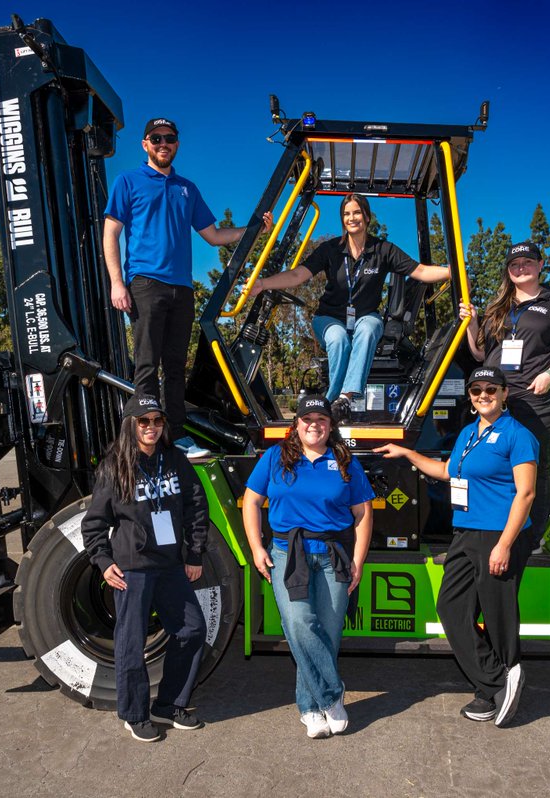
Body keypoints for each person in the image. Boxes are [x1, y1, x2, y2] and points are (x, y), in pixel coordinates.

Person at [375, 366, 537, 727]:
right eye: (476, 389)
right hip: (465, 533)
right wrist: (407, 455)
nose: (483, 395)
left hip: (499, 534)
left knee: (497, 613)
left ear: (505, 393)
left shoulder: (517, 435)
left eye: (491, 389)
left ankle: (497, 682)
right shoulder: (468, 432)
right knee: (451, 607)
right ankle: (497, 678)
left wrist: (505, 544)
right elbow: (448, 471)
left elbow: (526, 493)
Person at [103, 117, 273, 459]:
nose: (163, 143)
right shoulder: (128, 181)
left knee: (176, 366)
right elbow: (111, 233)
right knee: (147, 365)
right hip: (145, 283)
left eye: (170, 138)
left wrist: (253, 229)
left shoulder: (187, 188)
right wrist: (117, 283)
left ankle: (177, 437)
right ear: (145, 144)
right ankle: (142, 441)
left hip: (182, 288)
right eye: (156, 138)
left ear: (176, 144)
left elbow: (213, 236)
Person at [241, 395, 374, 738]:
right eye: (307, 419)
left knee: (327, 634)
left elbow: (363, 514)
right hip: (288, 553)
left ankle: (310, 707)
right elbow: (252, 502)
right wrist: (257, 547)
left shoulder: (344, 460)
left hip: (333, 555)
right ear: (296, 424)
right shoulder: (275, 458)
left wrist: (358, 561)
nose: (314, 425)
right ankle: (331, 696)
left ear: (330, 426)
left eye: (321, 419)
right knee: (300, 624)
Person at [249, 193, 449, 419]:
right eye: (346, 213)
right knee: (337, 338)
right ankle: (332, 400)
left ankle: (344, 399)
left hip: (365, 317)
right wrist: (263, 283)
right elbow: (297, 275)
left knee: (370, 327)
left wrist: (454, 272)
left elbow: (420, 271)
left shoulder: (383, 250)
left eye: (356, 212)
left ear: (366, 216)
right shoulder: (330, 249)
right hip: (329, 318)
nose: (351, 218)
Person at [81, 393, 211, 742]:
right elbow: (94, 523)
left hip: (170, 566)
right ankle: (134, 713)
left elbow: (197, 506)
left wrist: (195, 553)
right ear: (131, 425)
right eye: (144, 421)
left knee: (192, 629)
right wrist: (104, 561)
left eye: (157, 421)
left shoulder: (175, 461)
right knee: (130, 643)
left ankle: (168, 704)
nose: (152, 427)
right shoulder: (114, 466)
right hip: (132, 569)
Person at [461, 240, 550, 537]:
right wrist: (472, 324)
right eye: (514, 265)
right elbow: (479, 354)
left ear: (540, 266)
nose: (521, 268)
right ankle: (497, 529)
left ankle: (532, 536)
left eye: (527, 263)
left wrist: (549, 375)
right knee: (493, 464)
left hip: (538, 398)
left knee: (532, 467)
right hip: (498, 400)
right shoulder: (499, 307)